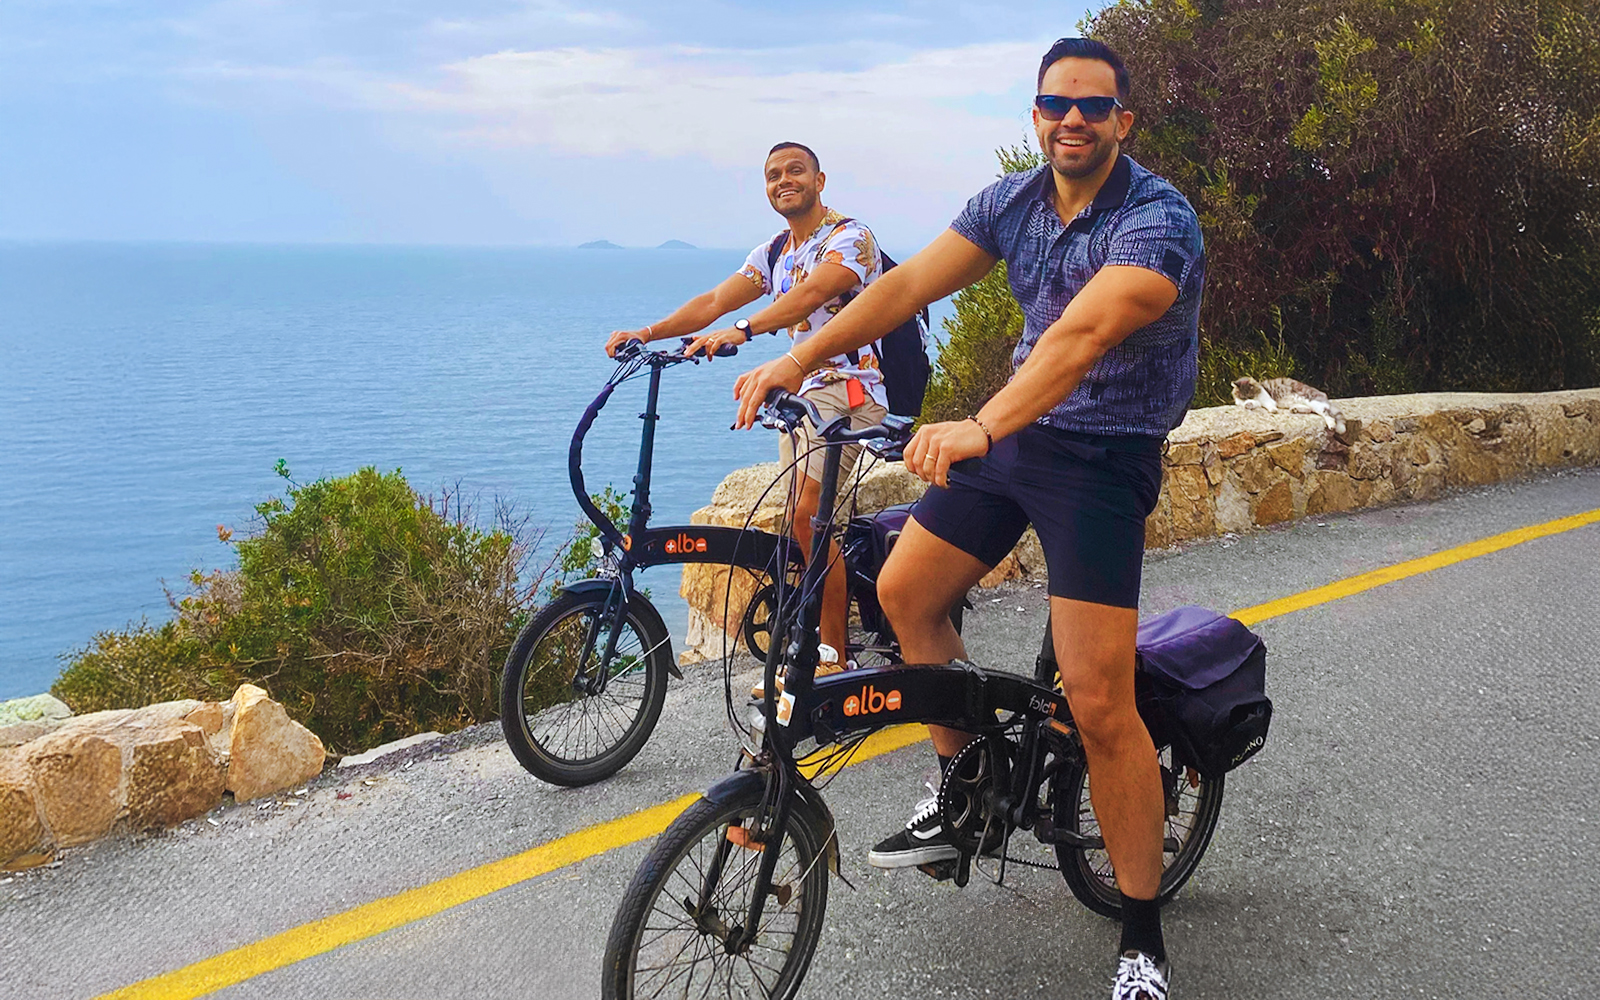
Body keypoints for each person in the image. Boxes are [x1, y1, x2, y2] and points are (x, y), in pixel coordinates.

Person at [729, 38, 1203, 1000]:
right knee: (904, 591)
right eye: (1055, 104)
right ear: (1035, 116)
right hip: (1015, 439)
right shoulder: (1014, 203)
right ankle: (967, 789)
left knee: (1099, 700)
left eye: (1093, 106)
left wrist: (980, 423)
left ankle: (1142, 938)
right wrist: (791, 358)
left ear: (1123, 121)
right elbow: (902, 287)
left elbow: (1083, 333)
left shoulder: (1159, 219)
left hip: (1102, 454)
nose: (1073, 119)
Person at [605, 141, 887, 684]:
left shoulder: (850, 238)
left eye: (795, 171)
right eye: (773, 175)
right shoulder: (776, 251)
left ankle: (832, 654)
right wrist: (647, 333)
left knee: (809, 512)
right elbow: (714, 301)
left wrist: (743, 331)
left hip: (851, 391)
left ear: (820, 180)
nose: (785, 180)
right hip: (803, 396)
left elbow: (810, 299)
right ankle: (803, 610)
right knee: (798, 518)